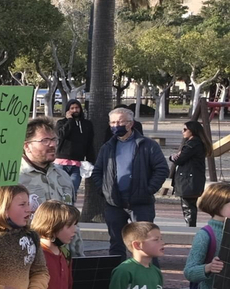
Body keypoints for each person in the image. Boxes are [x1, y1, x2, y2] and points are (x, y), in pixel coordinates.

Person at [94, 107, 168, 256]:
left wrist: (148, 189)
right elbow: (97, 171)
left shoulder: (147, 145)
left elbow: (162, 169)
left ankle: (149, 277)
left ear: (130, 123)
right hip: (114, 203)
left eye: (120, 122)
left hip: (141, 203)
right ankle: (118, 277)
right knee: (116, 243)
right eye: (113, 122)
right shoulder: (107, 147)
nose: (116, 125)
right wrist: (105, 191)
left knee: (146, 243)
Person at [54, 100, 97, 201]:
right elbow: (61, 135)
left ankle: (70, 213)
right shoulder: (61, 123)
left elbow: (89, 144)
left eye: (77, 108)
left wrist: (91, 161)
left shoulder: (87, 124)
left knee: (72, 191)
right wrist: (70, 121)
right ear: (67, 110)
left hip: (76, 165)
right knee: (58, 191)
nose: (75, 110)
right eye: (72, 108)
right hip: (61, 163)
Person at [172, 120, 208, 228]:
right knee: (189, 205)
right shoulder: (197, 143)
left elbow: (180, 159)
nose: (182, 132)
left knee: (188, 206)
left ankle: (190, 228)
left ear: (192, 131)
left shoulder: (193, 144)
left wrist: (173, 157)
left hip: (189, 180)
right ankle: (190, 226)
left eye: (185, 129)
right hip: (193, 179)